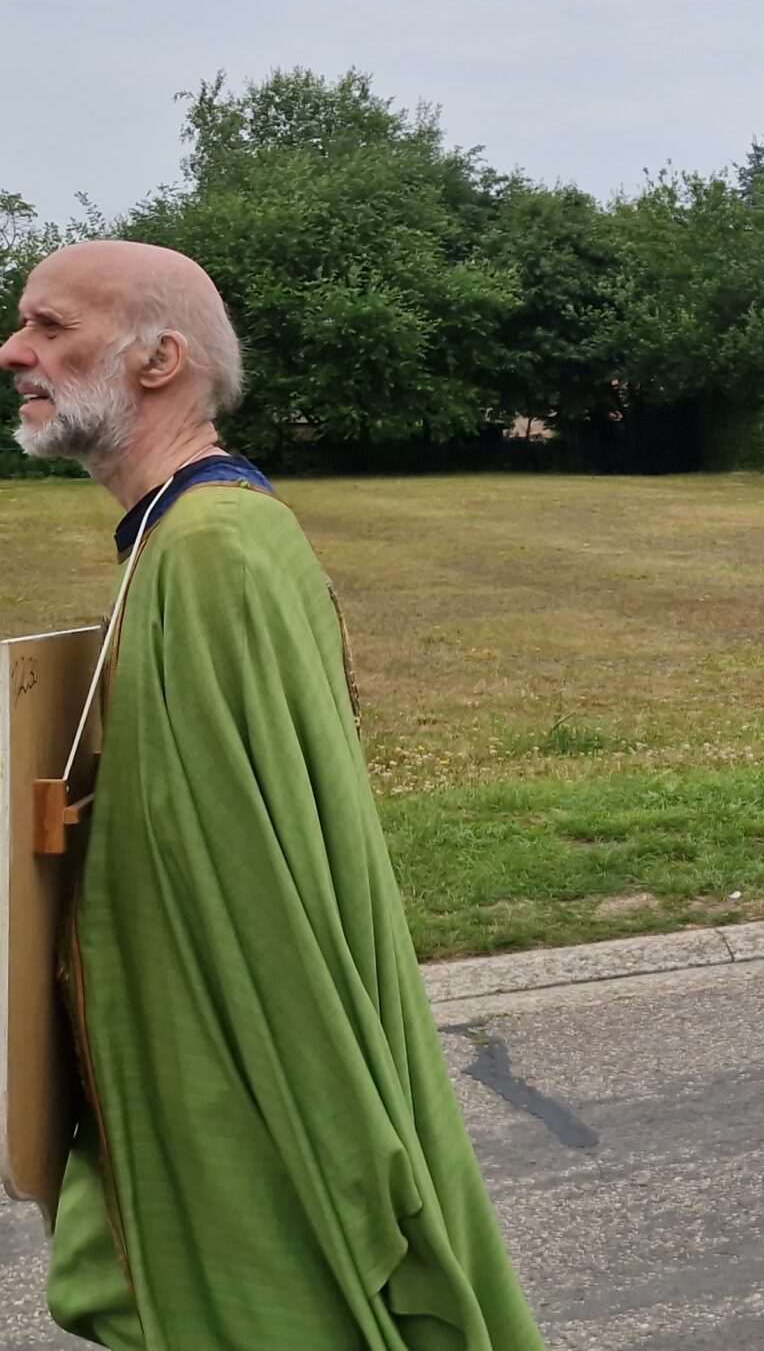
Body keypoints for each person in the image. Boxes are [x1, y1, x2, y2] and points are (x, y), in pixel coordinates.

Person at [4, 241, 546, 1348]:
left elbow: (249, 880)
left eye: (51, 326)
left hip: (226, 1046)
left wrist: (302, 1114)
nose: (16, 351)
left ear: (160, 359)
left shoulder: (210, 549)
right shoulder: (191, 531)